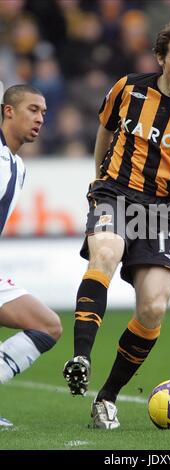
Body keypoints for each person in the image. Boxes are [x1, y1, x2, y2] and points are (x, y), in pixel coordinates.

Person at [63, 19, 170, 429]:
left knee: (153, 306)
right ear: (160, 59)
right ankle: (81, 355)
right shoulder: (128, 88)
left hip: (161, 211)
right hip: (114, 192)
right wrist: (98, 175)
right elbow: (105, 128)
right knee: (106, 251)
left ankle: (106, 398)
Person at [0, 85, 62, 427]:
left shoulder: (17, 166)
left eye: (43, 113)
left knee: (47, 325)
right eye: (33, 109)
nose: (40, 118)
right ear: (8, 111)